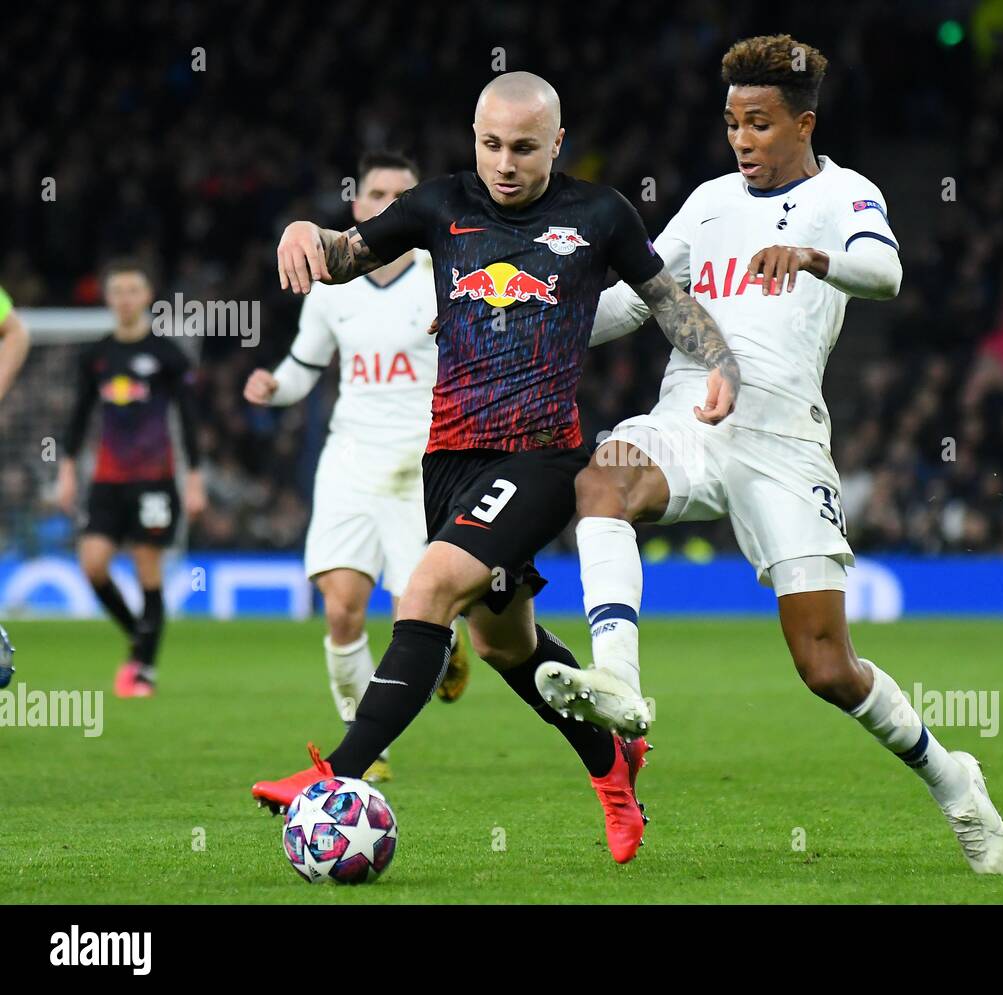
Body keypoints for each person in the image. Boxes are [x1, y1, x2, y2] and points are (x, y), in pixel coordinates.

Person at [538, 35, 1003, 874]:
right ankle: (616, 677)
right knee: (601, 482)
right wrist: (537, 314)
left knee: (826, 665)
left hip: (785, 440)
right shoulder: (711, 201)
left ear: (804, 123)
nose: (742, 140)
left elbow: (885, 273)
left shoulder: (846, 194)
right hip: (690, 413)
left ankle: (953, 777)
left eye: (759, 124)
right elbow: (637, 302)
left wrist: (810, 255)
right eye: (731, 124)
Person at [250, 71, 739, 864]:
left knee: (429, 587)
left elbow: (669, 300)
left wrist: (722, 364)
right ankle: (614, 770)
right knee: (508, 645)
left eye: (522, 147)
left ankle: (333, 776)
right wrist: (308, 230)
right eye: (490, 145)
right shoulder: (440, 205)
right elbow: (345, 256)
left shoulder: (598, 214)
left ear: (557, 144)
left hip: (542, 454)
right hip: (448, 460)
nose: (504, 163)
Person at [244, 151, 471, 785]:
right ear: (356, 205)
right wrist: (273, 386)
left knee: (416, 617)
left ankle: (447, 647)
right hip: (350, 457)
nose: (388, 205)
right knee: (342, 608)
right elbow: (304, 367)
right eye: (377, 193)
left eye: (402, 196)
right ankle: (363, 745)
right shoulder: (330, 288)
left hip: (422, 461)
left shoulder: (442, 274)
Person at [58, 260, 206, 697]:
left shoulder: (167, 355)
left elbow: (189, 420)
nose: (124, 298)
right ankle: (140, 637)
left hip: (154, 479)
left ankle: (143, 668)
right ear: (108, 299)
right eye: (117, 291)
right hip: (107, 480)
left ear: (146, 297)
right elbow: (79, 415)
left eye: (132, 290)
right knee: (93, 564)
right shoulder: (96, 356)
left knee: (148, 570)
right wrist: (67, 470)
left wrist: (194, 479)